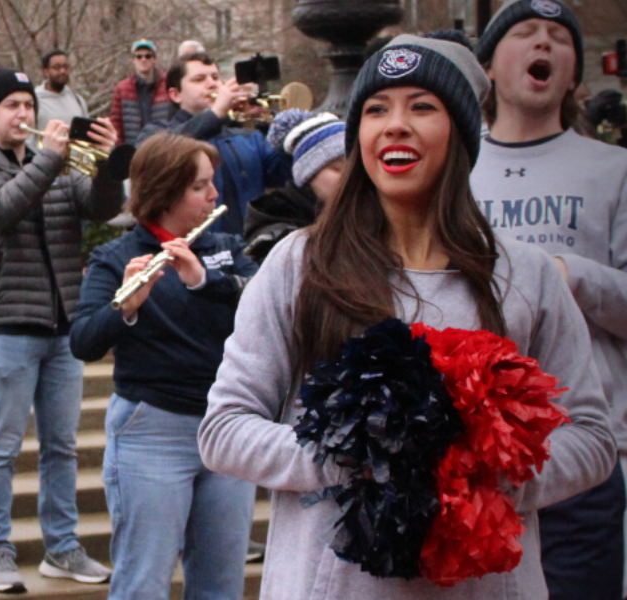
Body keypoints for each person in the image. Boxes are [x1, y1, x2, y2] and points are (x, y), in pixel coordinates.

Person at [198, 33, 616, 599]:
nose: (395, 124)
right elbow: (223, 430)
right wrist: (346, 455)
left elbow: (590, 438)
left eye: (422, 106)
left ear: (463, 136)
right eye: (376, 110)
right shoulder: (299, 265)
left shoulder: (530, 274)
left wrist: (486, 473)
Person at [470, 2, 627, 598]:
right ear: (488, 66)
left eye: (559, 39)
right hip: (469, 455)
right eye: (526, 34)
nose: (544, 44)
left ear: (574, 75)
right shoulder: (453, 169)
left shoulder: (614, 171)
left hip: (579, 451)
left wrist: (566, 275)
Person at [0, 67, 120, 593]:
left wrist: (112, 165)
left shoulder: (60, 166)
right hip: (8, 325)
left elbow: (100, 209)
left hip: (64, 325)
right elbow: (2, 210)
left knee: (62, 447)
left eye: (28, 105)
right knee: (2, 447)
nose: (23, 114)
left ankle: (62, 548)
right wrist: (50, 158)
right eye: (12, 106)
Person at [72, 133, 258, 600]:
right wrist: (126, 308)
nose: (215, 196)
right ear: (165, 191)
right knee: (143, 585)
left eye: (211, 184)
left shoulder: (225, 248)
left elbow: (261, 306)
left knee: (221, 586)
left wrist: (204, 280)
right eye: (200, 187)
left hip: (226, 428)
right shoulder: (115, 259)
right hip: (151, 430)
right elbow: (83, 342)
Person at [160, 52, 290, 235]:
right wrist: (216, 112)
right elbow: (164, 152)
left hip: (249, 246)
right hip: (197, 249)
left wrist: (272, 123)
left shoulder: (248, 137)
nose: (212, 83)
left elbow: (282, 175)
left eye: (215, 77)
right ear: (175, 95)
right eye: (199, 79)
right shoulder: (161, 133)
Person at [243, 109, 347, 264]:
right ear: (308, 175)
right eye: (337, 168)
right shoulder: (275, 227)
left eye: (356, 168)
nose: (349, 176)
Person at [110, 40, 172, 147]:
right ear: (133, 60)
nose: (143, 60)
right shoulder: (123, 88)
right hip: (133, 151)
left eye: (148, 56)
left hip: (162, 150)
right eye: (139, 57)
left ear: (154, 59)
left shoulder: (167, 84)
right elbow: (116, 125)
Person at [37, 50, 90, 135]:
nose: (62, 71)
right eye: (56, 67)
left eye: (65, 67)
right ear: (45, 71)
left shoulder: (78, 100)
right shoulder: (35, 100)